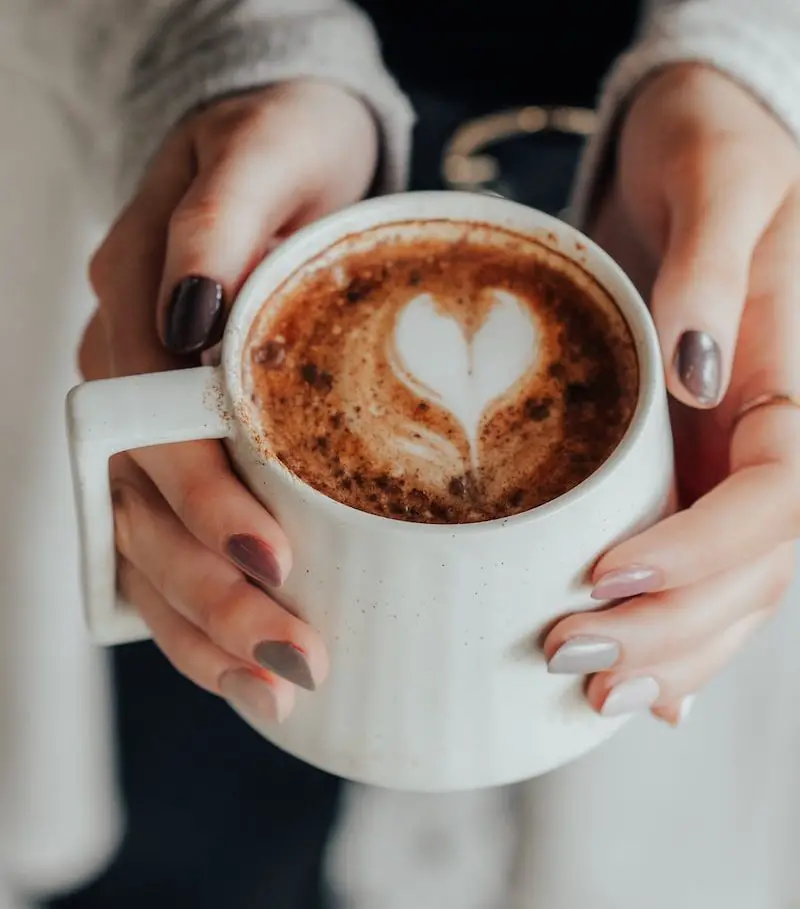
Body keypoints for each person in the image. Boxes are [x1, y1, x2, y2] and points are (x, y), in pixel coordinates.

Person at [1, 1, 799, 907]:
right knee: (194, 835)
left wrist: (765, 74)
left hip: (686, 231)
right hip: (246, 204)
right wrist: (206, 43)